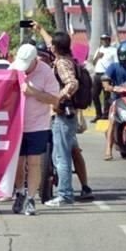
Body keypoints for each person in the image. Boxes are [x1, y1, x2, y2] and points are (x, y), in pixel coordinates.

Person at [10, 44, 61, 216]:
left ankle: (31, 198)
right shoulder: (14, 68)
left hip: (38, 125)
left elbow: (54, 99)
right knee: (18, 163)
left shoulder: (46, 72)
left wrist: (33, 92)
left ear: (34, 60)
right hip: (15, 124)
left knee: (33, 163)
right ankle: (19, 193)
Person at [45, 30, 80, 207]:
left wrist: (59, 98)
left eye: (52, 45)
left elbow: (72, 83)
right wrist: (39, 29)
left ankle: (65, 195)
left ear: (56, 47)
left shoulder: (61, 64)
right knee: (58, 155)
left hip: (62, 115)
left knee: (61, 157)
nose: (50, 47)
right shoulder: (67, 59)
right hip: (65, 115)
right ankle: (64, 193)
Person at [90, 34, 117, 123]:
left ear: (109, 40)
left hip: (106, 75)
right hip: (97, 74)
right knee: (94, 94)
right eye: (102, 39)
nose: (104, 41)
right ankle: (98, 114)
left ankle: (105, 115)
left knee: (106, 96)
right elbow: (93, 62)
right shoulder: (99, 49)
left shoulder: (113, 50)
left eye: (106, 39)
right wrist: (98, 56)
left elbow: (116, 63)